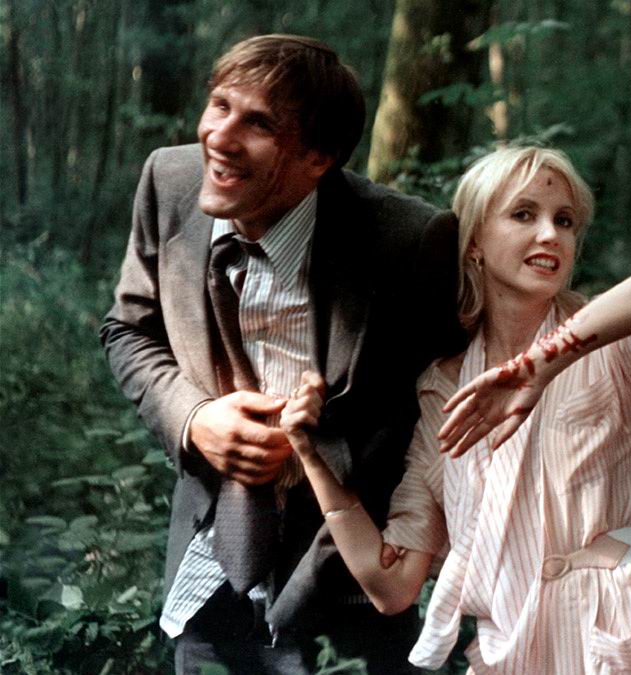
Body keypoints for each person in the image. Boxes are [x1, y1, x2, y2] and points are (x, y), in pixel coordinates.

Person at [100, 34, 462, 674]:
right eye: (219, 105)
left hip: (349, 583)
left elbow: (446, 403)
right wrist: (194, 418)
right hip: (208, 567)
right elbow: (130, 329)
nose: (220, 136)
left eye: (258, 124)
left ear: (318, 157)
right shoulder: (169, 182)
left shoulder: (407, 241)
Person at [282, 145, 631, 673]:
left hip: (623, 636)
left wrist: (543, 363)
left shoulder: (604, 336)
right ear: (474, 243)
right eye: (523, 214)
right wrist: (312, 455)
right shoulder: (444, 389)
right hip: (508, 650)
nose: (550, 234)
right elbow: (390, 587)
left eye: (565, 221)